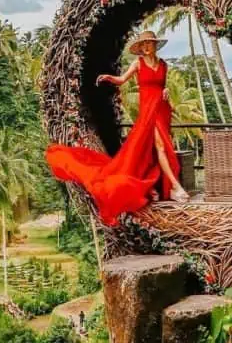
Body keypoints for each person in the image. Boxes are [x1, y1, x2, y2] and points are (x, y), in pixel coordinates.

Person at [45, 29, 189, 225]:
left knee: (156, 148)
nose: (146, 47)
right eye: (143, 45)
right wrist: (108, 78)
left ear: (155, 45)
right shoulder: (137, 64)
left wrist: (166, 93)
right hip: (147, 111)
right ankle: (174, 186)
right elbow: (122, 80)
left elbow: (163, 87)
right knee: (159, 147)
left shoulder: (164, 65)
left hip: (162, 110)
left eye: (149, 43)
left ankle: (151, 187)